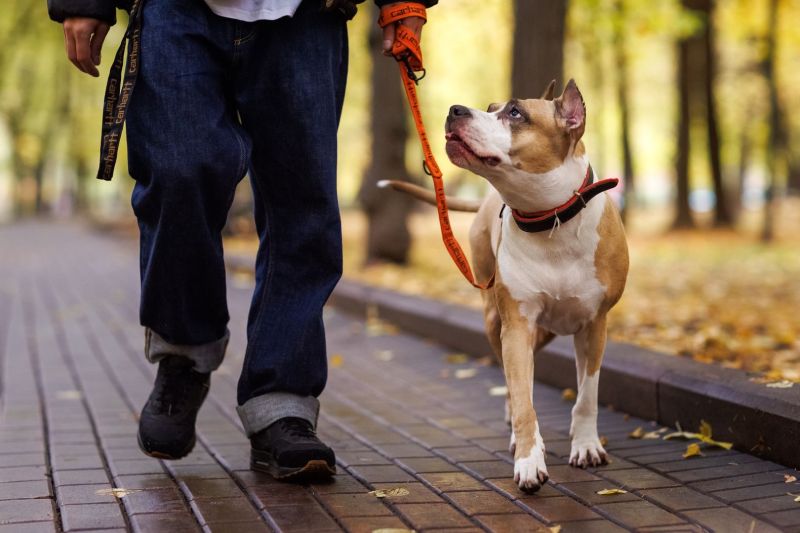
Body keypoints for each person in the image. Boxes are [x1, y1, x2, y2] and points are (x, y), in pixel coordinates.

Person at [48, 0, 435, 481]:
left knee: (303, 200)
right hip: (174, 10)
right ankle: (184, 352)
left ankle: (282, 402)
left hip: (307, 15)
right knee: (178, 173)